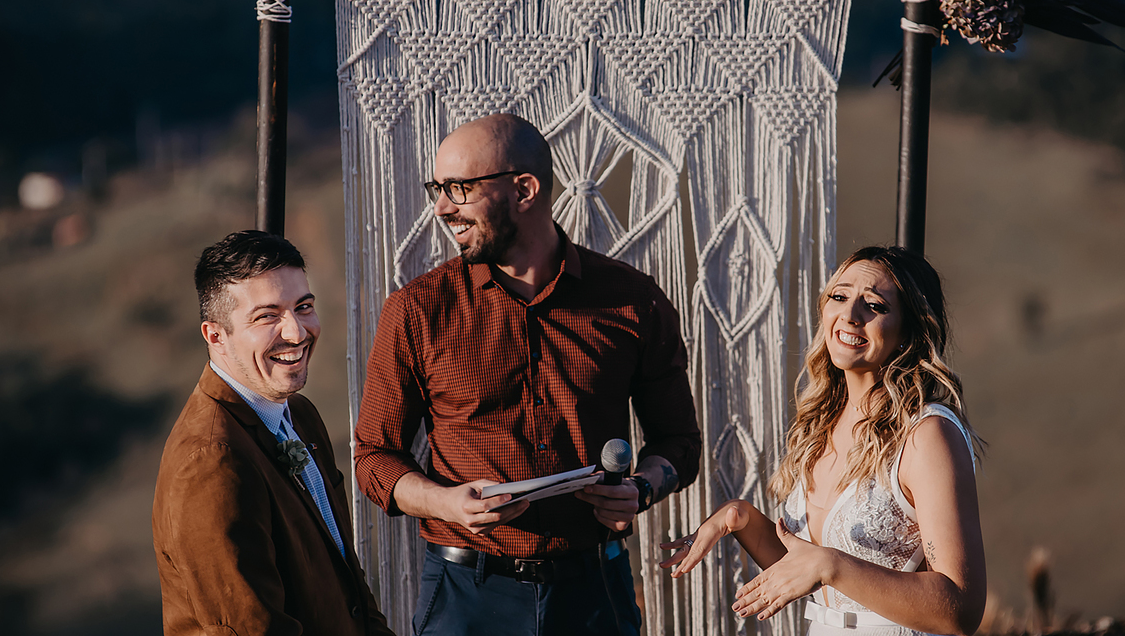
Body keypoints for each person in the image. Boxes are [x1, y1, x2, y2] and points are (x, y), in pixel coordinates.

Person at [354, 113, 702, 636]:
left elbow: (679, 442)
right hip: (465, 596)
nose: (442, 208)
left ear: (524, 190)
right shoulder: (416, 310)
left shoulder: (633, 301)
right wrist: (446, 502)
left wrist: (642, 488)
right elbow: (373, 458)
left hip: (596, 593)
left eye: (458, 188)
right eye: (437, 189)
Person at [661, 246, 986, 636]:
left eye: (875, 306)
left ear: (908, 333)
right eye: (839, 296)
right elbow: (813, 573)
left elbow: (961, 609)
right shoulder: (821, 422)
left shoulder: (926, 434)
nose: (850, 315)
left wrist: (832, 565)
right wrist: (742, 518)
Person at [152, 230, 394, 636]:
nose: (297, 333)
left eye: (304, 307)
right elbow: (255, 629)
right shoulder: (212, 460)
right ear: (216, 336)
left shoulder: (301, 414)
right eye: (267, 316)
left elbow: (347, 584)